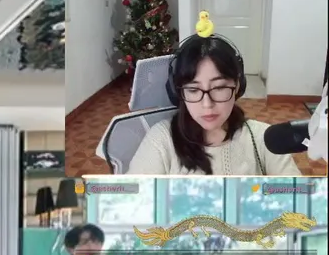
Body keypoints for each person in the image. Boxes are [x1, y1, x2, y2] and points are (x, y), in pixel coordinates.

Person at [128, 33, 300, 176]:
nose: (207, 104)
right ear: (178, 92)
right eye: (193, 90)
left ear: (237, 86)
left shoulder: (264, 138)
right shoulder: (161, 141)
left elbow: (299, 198)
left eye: (219, 88)